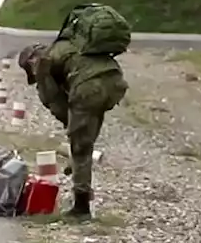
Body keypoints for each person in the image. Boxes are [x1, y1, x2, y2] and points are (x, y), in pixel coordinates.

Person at [17, 40, 128, 219]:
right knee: (85, 140)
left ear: (31, 61)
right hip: (114, 81)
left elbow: (55, 103)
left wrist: (72, 130)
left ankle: (81, 208)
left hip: (89, 87)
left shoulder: (42, 63)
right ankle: (82, 188)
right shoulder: (67, 46)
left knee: (80, 148)